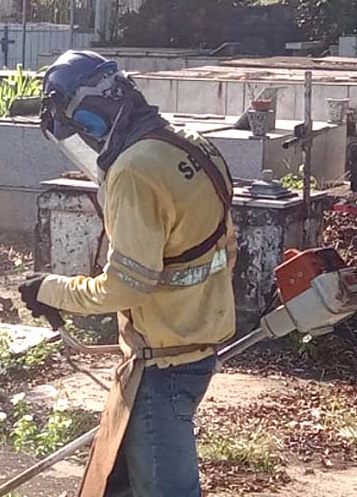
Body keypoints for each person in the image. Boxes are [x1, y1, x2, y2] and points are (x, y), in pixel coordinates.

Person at [18, 50, 237, 497]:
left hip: (163, 362)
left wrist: (51, 289)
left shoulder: (134, 171)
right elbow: (226, 247)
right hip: (197, 345)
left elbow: (126, 285)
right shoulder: (189, 143)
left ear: (91, 119)